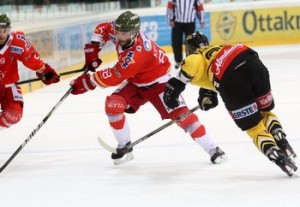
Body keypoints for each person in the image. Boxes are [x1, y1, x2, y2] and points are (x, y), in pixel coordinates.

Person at [70, 11, 226, 165]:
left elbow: (115, 75)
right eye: (118, 32)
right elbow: (103, 28)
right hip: (137, 81)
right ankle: (124, 145)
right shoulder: (122, 32)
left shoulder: (137, 53)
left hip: (160, 83)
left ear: (134, 33)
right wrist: (94, 48)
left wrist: (86, 82)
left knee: (184, 117)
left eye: (124, 34)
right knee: (113, 104)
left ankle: (213, 149)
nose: (120, 36)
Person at [163, 31, 297, 176]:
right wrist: (208, 95)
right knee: (265, 112)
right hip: (253, 62)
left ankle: (276, 155)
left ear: (189, 49)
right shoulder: (218, 48)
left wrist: (173, 89)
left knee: (254, 128)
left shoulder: (195, 57)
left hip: (231, 79)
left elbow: (193, 65)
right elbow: (210, 79)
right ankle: (280, 137)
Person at [0, 13, 60, 131]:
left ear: (9, 30)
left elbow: (30, 58)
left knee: (14, 114)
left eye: (4, 30)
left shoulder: (17, 42)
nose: (1, 34)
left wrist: (44, 71)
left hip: (9, 86)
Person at [166, 0, 205, 69]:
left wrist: (201, 20)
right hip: (177, 22)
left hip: (190, 22)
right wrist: (170, 19)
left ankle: (189, 61)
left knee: (190, 43)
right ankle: (178, 61)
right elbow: (170, 6)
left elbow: (199, 7)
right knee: (176, 42)